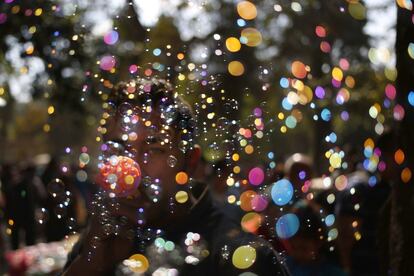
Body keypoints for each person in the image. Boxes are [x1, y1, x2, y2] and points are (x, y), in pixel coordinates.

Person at [62, 76, 290, 275]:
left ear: (190, 162)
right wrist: (89, 267)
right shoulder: (98, 241)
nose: (131, 170)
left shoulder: (243, 258)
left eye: (154, 150)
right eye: (119, 150)